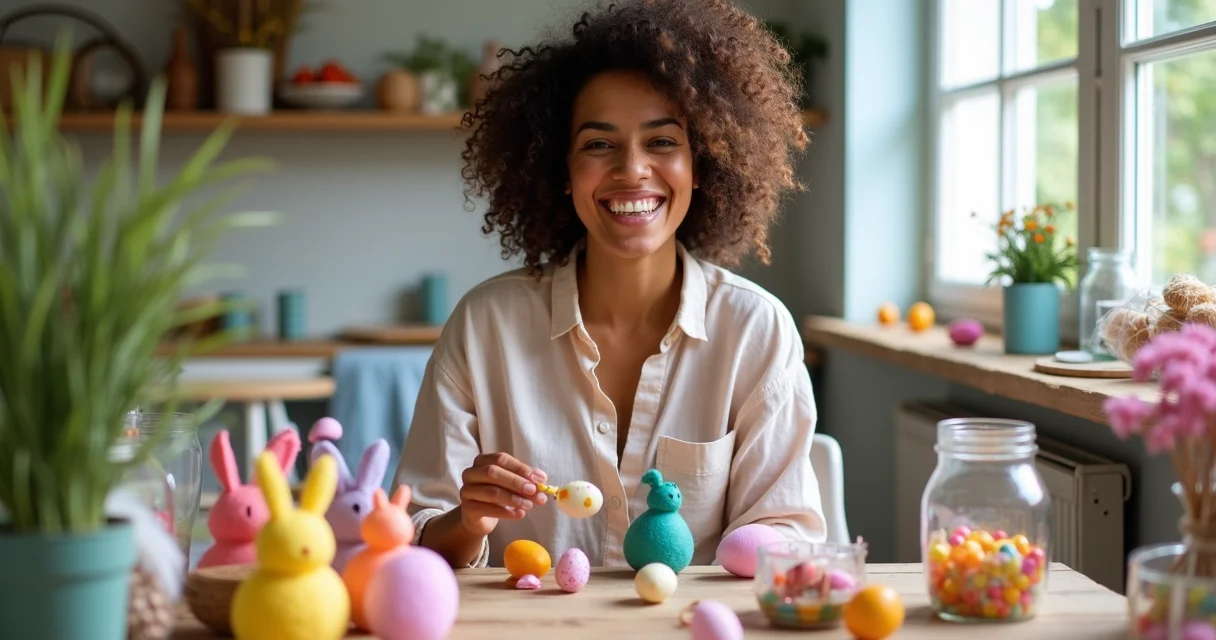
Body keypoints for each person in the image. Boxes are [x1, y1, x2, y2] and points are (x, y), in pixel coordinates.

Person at [392, 0, 826, 569]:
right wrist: (468, 519)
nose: (632, 169)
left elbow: (785, 538)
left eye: (663, 142)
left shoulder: (755, 330)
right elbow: (415, 537)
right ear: (563, 173)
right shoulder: (485, 326)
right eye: (599, 144)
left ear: (702, 167)